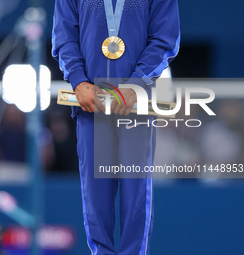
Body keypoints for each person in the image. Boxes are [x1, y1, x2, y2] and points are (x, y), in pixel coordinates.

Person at [52, 0, 180, 254]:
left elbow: (166, 38)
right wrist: (78, 80)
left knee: (135, 196)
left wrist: (139, 81)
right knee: (95, 198)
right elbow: (64, 36)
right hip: (92, 104)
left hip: (134, 106)